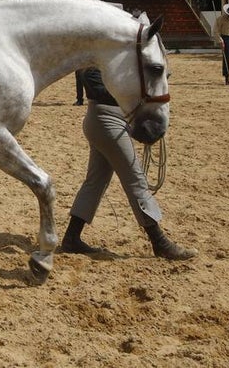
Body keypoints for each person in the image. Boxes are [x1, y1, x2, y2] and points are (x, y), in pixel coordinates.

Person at [60, 67, 197, 261]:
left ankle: (71, 238)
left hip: (110, 120)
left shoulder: (110, 58)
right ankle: (160, 243)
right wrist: (138, 90)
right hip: (106, 121)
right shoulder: (91, 64)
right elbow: (98, 90)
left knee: (95, 182)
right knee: (135, 178)